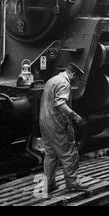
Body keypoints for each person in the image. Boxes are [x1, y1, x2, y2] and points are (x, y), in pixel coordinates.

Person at [39, 63, 88, 194]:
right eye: (76, 78)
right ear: (72, 74)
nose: (76, 81)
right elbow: (60, 104)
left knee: (51, 155)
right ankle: (73, 183)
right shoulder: (64, 83)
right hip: (57, 124)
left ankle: (48, 184)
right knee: (69, 154)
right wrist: (76, 117)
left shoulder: (52, 80)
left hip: (44, 121)